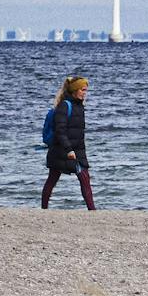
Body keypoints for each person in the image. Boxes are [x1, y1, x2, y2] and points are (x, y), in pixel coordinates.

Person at [42, 76, 96, 210]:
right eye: (82, 90)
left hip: (77, 151)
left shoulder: (80, 107)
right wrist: (69, 150)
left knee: (84, 178)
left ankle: (92, 210)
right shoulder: (64, 106)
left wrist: (78, 151)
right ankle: (44, 209)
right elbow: (60, 131)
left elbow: (77, 133)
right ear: (74, 90)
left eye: (86, 90)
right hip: (62, 151)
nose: (85, 93)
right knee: (52, 179)